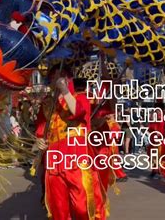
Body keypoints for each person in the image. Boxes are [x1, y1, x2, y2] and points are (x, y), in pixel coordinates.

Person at [40, 65, 106, 220]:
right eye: (53, 78)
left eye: (61, 77)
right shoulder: (47, 104)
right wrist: (39, 142)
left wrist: (64, 91)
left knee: (82, 206)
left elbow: (77, 111)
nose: (56, 80)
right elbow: (41, 129)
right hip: (54, 160)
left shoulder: (80, 97)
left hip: (75, 158)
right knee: (58, 208)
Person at [147, 101, 165, 180]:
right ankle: (155, 170)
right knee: (153, 155)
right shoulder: (154, 116)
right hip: (154, 139)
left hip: (161, 140)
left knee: (162, 156)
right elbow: (150, 127)